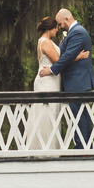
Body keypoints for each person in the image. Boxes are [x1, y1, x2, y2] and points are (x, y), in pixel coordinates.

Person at [36, 9, 94, 147]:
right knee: (80, 114)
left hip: (78, 81)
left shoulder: (78, 33)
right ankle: (85, 145)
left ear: (67, 19)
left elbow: (66, 57)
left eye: (60, 24)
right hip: (73, 81)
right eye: (57, 25)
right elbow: (64, 57)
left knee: (80, 114)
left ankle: (83, 146)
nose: (59, 27)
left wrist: (51, 70)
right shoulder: (72, 33)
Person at [28, 17, 66, 151]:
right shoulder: (46, 43)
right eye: (55, 28)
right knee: (47, 114)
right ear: (50, 28)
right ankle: (46, 149)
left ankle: (48, 147)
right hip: (47, 82)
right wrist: (77, 57)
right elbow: (59, 61)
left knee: (50, 113)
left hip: (49, 80)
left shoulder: (43, 41)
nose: (57, 30)